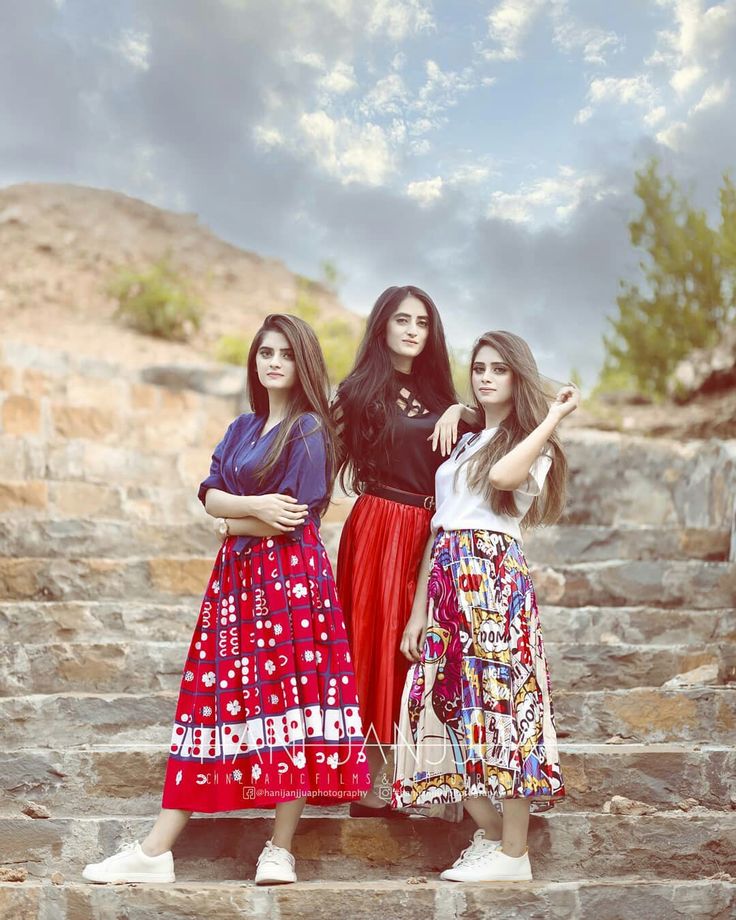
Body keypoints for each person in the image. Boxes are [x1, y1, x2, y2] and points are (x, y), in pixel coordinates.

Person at [83, 314, 371, 887]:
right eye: (265, 352)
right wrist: (248, 511)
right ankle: (156, 852)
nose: (273, 363)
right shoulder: (242, 427)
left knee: (290, 709)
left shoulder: (310, 430)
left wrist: (241, 517)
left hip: (290, 584)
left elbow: (295, 516)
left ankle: (279, 849)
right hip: (237, 587)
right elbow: (209, 491)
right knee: (209, 702)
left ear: (303, 363)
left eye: (286, 354)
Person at [392, 330, 578, 882]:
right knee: (437, 705)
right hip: (449, 573)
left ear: (518, 377)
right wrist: (419, 609)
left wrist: (550, 418)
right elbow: (438, 525)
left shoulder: (531, 443)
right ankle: (494, 838)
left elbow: (502, 479)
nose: (487, 376)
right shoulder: (469, 438)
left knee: (502, 711)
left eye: (499, 368)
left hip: (494, 579)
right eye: (479, 368)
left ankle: (513, 854)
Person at [333, 285, 476, 816]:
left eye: (422, 321)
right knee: (374, 643)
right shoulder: (356, 392)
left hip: (433, 531)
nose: (413, 329)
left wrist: (460, 408)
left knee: (421, 649)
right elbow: (322, 457)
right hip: (377, 524)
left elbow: (500, 425)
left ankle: (420, 773)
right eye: (402, 320)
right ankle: (371, 777)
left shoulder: (446, 398)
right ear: (382, 327)